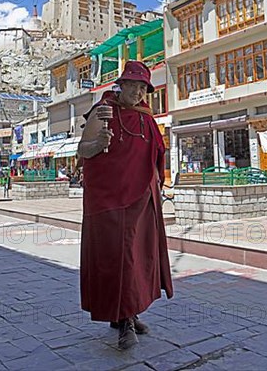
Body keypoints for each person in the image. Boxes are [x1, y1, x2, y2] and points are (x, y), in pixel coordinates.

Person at [78, 60, 173, 350]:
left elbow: (157, 157)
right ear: (121, 85)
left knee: (137, 259)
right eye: (132, 84)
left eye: (142, 86)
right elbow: (83, 149)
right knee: (117, 260)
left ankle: (127, 315)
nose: (137, 91)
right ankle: (122, 318)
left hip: (142, 200)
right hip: (109, 201)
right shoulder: (104, 111)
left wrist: (158, 185)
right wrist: (98, 143)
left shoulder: (146, 117)